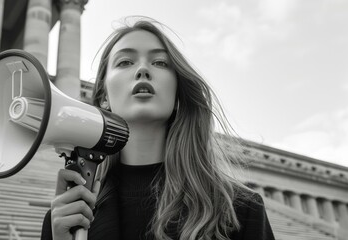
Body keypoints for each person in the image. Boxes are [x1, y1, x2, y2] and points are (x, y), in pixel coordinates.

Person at [41, 17, 275, 240]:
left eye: (160, 62)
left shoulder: (241, 208)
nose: (143, 70)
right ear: (103, 96)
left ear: (177, 93)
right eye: (125, 62)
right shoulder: (67, 217)